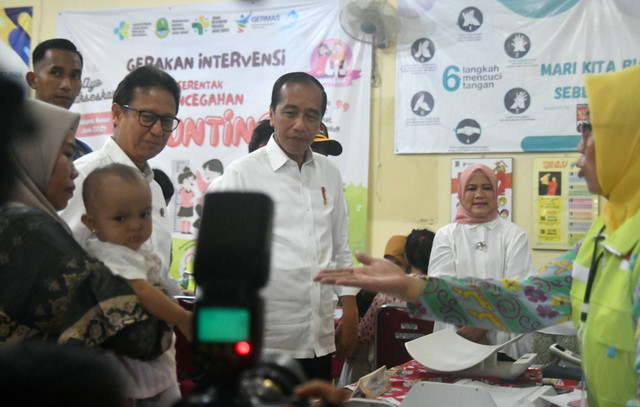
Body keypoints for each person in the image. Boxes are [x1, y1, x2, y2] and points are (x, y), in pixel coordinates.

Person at [316, 65, 640, 407]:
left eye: (589, 131)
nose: (579, 147)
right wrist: (414, 287)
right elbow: (526, 299)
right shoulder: (603, 235)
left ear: (627, 138)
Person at [209, 72, 359, 380]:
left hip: (317, 339)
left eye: (311, 116)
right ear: (272, 114)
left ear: (320, 122)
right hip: (263, 342)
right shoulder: (242, 175)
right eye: (290, 112)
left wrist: (351, 307)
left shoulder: (329, 174)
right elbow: (219, 267)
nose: (300, 125)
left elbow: (340, 246)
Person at [0, 93, 171, 359]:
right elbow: (144, 338)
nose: (75, 170)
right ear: (31, 155)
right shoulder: (28, 232)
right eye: (67, 153)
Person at [60, 65, 183, 406]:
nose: (158, 129)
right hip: (104, 364)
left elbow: (154, 268)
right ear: (116, 112)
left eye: (167, 120)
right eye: (147, 116)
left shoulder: (154, 186)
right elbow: (65, 265)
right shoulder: (85, 177)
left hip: (155, 357)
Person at [81, 163, 193, 405]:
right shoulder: (111, 254)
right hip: (138, 366)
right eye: (120, 218)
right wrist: (182, 318)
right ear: (91, 222)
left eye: (143, 214)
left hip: (147, 361)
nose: (134, 225)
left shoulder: (129, 251)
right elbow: (143, 291)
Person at [428, 164, 533, 359]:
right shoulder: (446, 235)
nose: (479, 195)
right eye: (471, 188)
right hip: (456, 339)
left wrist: (482, 327)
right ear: (461, 193)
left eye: (486, 188)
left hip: (506, 344)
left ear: (496, 192)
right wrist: (475, 334)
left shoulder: (514, 235)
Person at [339, 229, 435, 386]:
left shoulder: (388, 294)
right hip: (427, 371)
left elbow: (363, 336)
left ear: (407, 259)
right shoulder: (441, 295)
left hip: (386, 374)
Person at [26, 38, 92, 159]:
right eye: (56, 73)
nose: (67, 85)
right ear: (33, 80)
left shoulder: (85, 154)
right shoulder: (10, 141)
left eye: (74, 76)